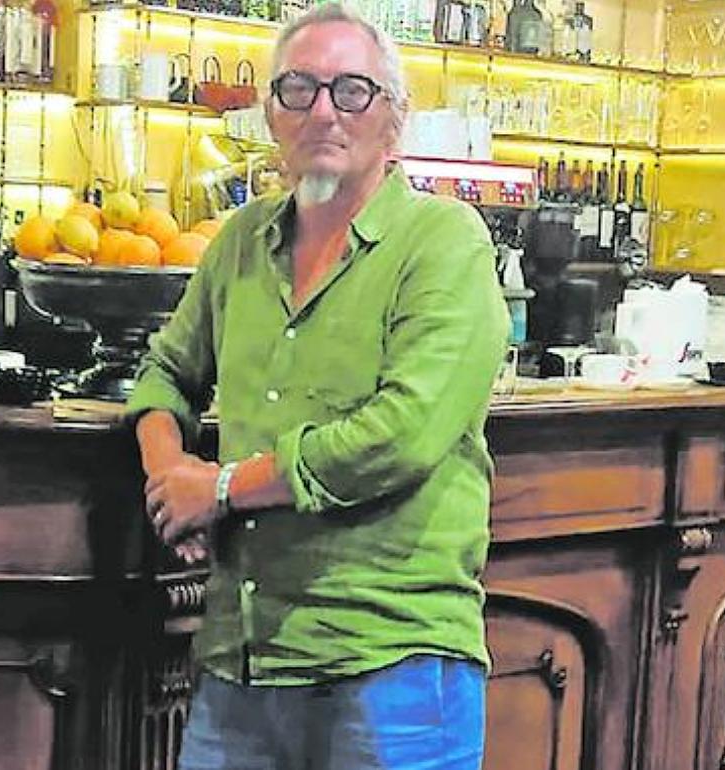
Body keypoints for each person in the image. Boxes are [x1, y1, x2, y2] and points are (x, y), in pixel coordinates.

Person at [125, 4, 509, 768]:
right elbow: (165, 374)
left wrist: (224, 488)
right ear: (270, 116)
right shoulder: (240, 241)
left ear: (395, 119)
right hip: (244, 655)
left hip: (388, 660)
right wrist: (169, 473)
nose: (324, 110)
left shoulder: (445, 242)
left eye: (352, 90)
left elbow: (400, 436)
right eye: (299, 89)